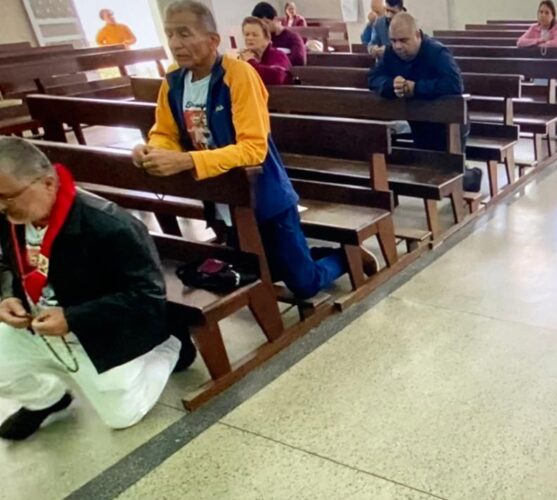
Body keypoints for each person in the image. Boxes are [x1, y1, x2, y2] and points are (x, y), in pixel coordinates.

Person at [132, 0, 375, 300]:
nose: (175, 43)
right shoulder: (174, 80)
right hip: (222, 194)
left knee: (303, 284)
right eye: (169, 34)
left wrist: (186, 160)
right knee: (263, 270)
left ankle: (346, 255)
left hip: (266, 195)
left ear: (212, 41)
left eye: (184, 33)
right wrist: (153, 150)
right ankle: (308, 255)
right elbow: (165, 132)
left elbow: (253, 150)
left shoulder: (239, 75)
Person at [0, 137, 194, 441]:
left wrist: (73, 318)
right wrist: (9, 296)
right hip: (41, 320)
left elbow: (146, 295)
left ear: (48, 184)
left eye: (7, 197)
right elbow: (9, 265)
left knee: (121, 416)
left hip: (101, 326)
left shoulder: (108, 224)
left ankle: (170, 344)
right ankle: (48, 399)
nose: (1, 206)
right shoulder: (12, 216)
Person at [368, 12, 464, 152]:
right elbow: (373, 78)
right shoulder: (390, 53)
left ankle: (467, 173)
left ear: (417, 35)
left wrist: (416, 88)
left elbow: (454, 84)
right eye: (393, 41)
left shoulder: (437, 52)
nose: (398, 46)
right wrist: (392, 85)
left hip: (444, 123)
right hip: (412, 119)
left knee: (436, 162)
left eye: (403, 40)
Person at [239, 17, 292, 86]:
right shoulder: (245, 57)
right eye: (247, 34)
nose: (249, 38)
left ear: (266, 38)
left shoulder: (278, 55)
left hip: (283, 95)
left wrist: (251, 62)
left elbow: (277, 77)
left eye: (255, 35)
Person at [251, 2, 307, 66]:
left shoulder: (293, 37)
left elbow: (299, 59)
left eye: (266, 23)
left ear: (275, 19)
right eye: (260, 25)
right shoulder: (263, 38)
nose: (263, 28)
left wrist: (275, 61)